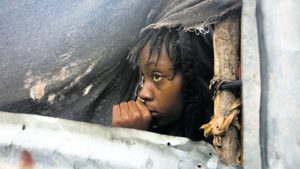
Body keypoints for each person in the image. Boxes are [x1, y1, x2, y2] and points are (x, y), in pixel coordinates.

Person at [112, 27, 214, 141]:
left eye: (157, 76)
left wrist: (134, 140)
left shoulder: (222, 140)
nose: (142, 94)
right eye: (143, 78)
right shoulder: (149, 127)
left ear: (191, 78)